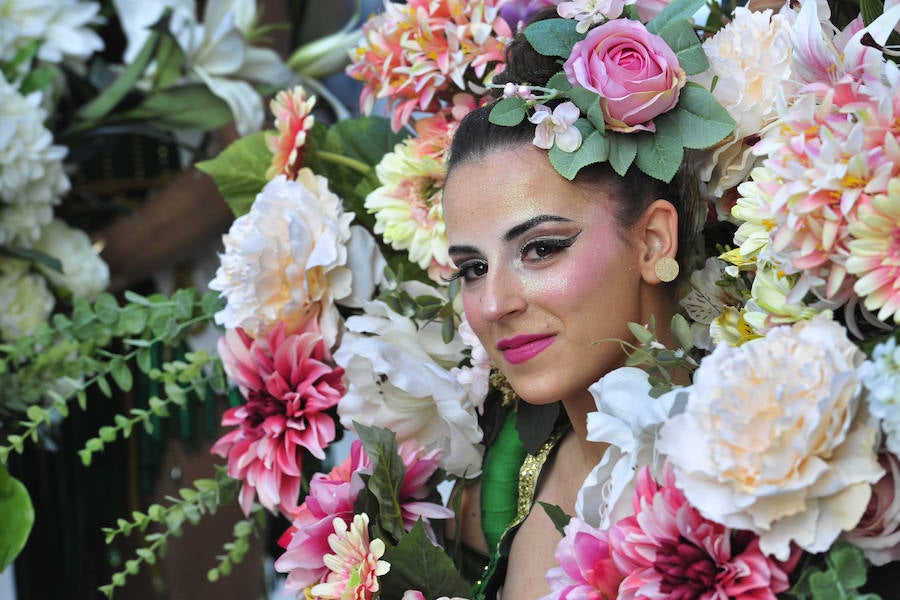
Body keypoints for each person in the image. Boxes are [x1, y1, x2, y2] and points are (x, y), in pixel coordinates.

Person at [440, 20, 704, 600]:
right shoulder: (510, 467)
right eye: (473, 268)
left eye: (540, 249)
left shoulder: (740, 476)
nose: (494, 305)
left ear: (653, 241)